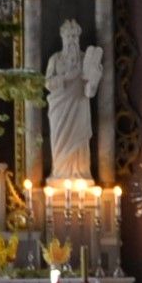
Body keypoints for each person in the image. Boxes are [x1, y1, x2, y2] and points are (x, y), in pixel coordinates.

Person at [43, 19, 101, 185]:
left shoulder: (86, 59)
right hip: (59, 108)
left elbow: (90, 91)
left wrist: (94, 81)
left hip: (80, 106)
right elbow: (47, 83)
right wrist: (66, 78)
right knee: (60, 141)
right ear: (62, 38)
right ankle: (60, 173)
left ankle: (80, 174)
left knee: (80, 141)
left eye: (74, 37)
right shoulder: (55, 59)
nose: (71, 40)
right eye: (68, 37)